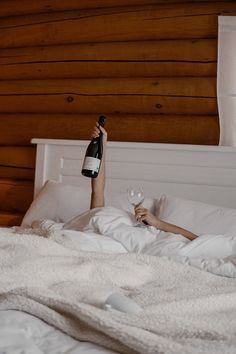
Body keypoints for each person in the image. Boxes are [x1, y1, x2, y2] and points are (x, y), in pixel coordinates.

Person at [90, 122, 197, 241]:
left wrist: (156, 222)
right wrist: (102, 145)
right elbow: (97, 191)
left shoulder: (154, 234)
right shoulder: (101, 221)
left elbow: (196, 240)